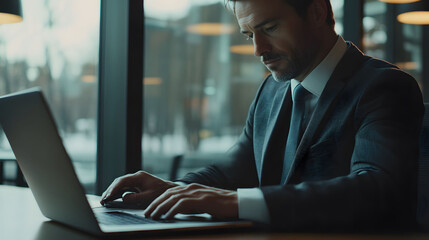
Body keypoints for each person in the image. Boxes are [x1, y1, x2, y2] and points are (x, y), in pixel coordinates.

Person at [101, 0, 424, 231]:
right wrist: (172, 190)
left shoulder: (384, 86)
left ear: (317, 11)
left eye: (269, 27)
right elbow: (231, 171)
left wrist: (236, 203)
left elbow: (376, 190)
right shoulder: (271, 90)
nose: (258, 49)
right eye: (248, 34)